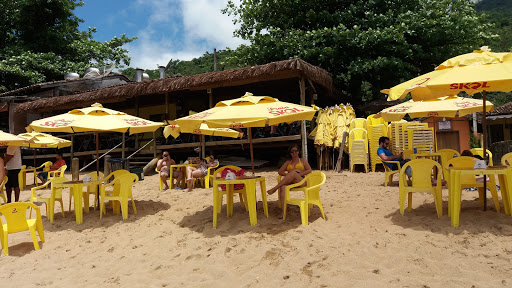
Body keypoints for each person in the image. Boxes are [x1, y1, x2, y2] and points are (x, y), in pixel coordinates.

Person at [267, 144, 312, 216]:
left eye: (296, 151)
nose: (294, 153)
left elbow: (309, 170)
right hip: (291, 181)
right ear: (290, 153)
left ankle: (275, 188)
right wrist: (288, 175)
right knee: (283, 187)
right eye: (292, 152)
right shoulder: (288, 162)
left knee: (293, 173)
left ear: (298, 152)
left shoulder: (302, 160)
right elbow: (280, 171)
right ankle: (283, 211)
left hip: (301, 181)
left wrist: (299, 174)